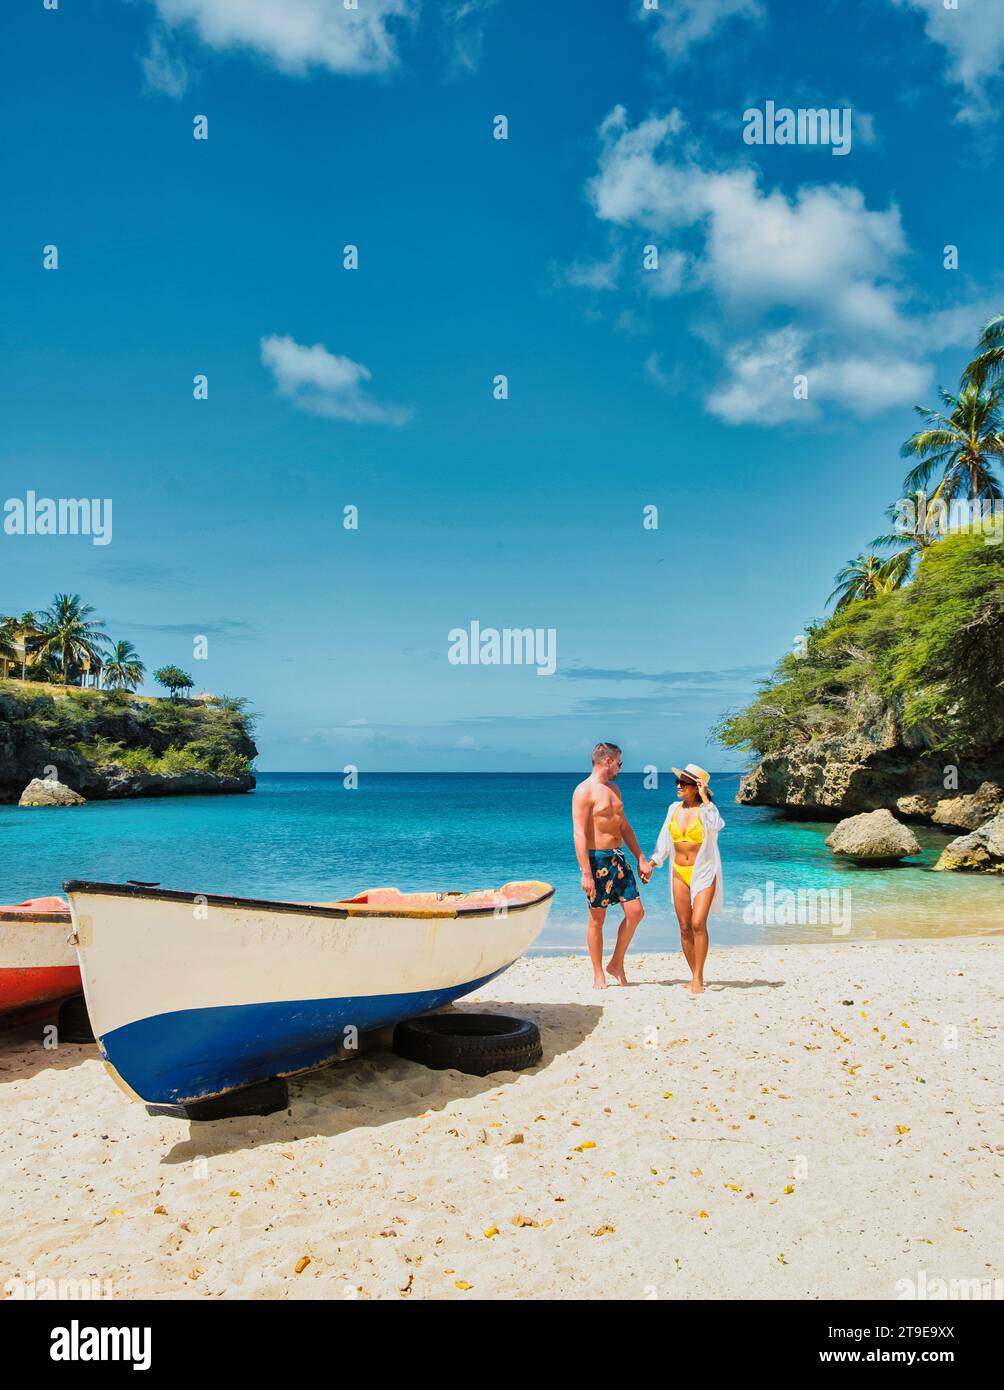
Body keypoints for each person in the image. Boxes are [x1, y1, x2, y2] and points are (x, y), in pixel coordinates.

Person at [572, 742, 653, 988]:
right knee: (597, 919)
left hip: (618, 857)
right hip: (597, 860)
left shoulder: (614, 789)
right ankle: (598, 973)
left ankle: (616, 963)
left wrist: (639, 856)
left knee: (636, 912)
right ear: (607, 761)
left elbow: (623, 825)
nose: (620, 767)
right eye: (619, 762)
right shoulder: (584, 791)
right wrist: (586, 872)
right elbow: (579, 834)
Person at [649, 763, 725, 996]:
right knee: (684, 928)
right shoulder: (673, 808)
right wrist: (653, 862)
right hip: (678, 872)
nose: (679, 786)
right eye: (678, 782)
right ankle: (693, 974)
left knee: (697, 923)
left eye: (684, 783)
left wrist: (705, 798)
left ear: (697, 787)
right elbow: (664, 839)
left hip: (703, 871)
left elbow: (717, 825)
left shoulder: (706, 811)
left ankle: (699, 977)